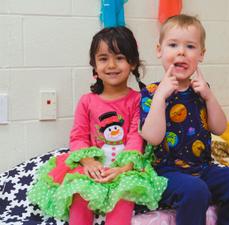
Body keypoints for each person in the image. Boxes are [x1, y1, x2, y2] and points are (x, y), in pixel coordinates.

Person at [28, 26, 167, 225]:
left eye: (119, 57)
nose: (111, 65)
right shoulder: (87, 101)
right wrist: (88, 162)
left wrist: (125, 168)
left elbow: (137, 137)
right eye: (103, 58)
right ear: (94, 65)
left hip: (125, 167)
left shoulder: (139, 100)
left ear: (133, 63)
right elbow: (78, 137)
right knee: (79, 190)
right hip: (93, 165)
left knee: (124, 194)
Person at [140, 14, 229, 225]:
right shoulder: (151, 92)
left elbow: (220, 128)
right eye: (173, 45)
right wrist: (161, 97)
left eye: (190, 46)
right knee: (195, 190)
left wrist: (209, 96)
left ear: (201, 54)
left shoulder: (201, 90)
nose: (181, 51)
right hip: (164, 171)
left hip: (202, 167)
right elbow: (153, 138)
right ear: (159, 51)